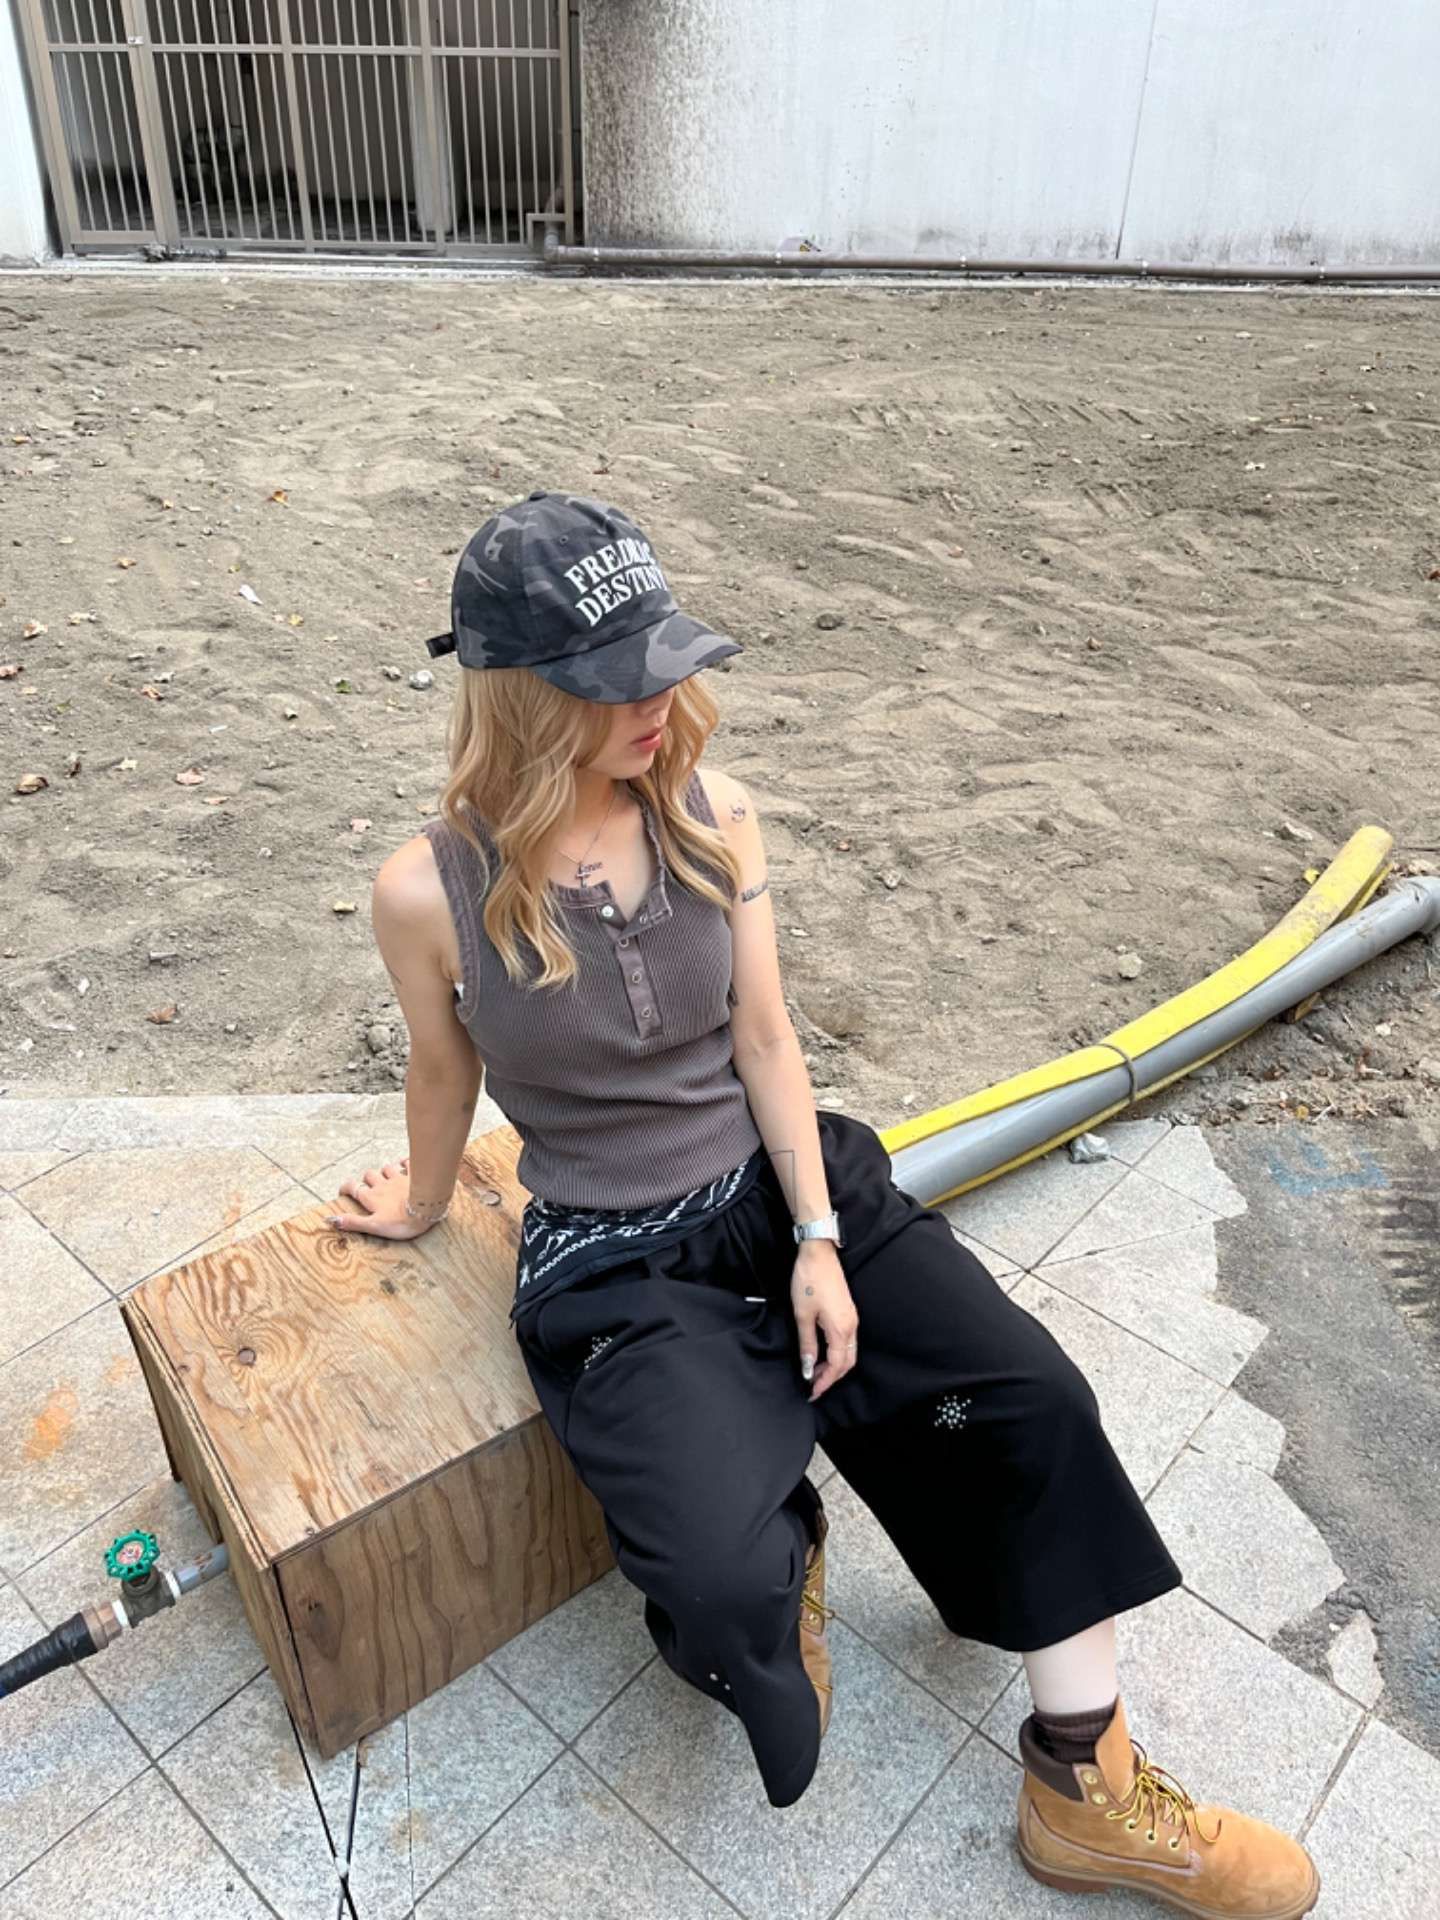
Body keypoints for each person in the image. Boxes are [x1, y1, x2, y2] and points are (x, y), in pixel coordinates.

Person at [329, 491, 1319, 1917]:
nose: (662, 703)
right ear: (522, 695)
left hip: (777, 1184)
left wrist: (816, 1239)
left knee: (1026, 1400)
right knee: (720, 1583)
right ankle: (782, 1524)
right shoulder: (427, 890)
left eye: (667, 663)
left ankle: (1084, 1787)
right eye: (620, 682)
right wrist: (426, 1202)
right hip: (610, 1257)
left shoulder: (711, 813)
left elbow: (766, 1040)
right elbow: (443, 1067)